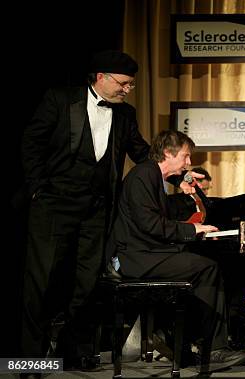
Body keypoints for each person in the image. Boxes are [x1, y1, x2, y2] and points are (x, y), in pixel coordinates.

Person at [20, 50, 150, 367]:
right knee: (44, 282)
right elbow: (32, 142)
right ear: (101, 77)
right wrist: (37, 188)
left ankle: (72, 351)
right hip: (54, 205)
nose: (128, 90)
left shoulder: (125, 114)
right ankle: (31, 359)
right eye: (124, 83)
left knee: (88, 284)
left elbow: (143, 153)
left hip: (96, 209)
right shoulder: (60, 99)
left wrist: (180, 172)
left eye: (131, 85)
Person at [108, 129, 245, 370]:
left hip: (146, 252)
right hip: (136, 257)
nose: (188, 162)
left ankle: (183, 340)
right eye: (185, 156)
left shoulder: (152, 176)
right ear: (167, 153)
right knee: (207, 268)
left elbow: (159, 223)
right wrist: (192, 231)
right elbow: (150, 225)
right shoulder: (144, 175)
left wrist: (190, 225)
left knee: (203, 262)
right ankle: (212, 350)